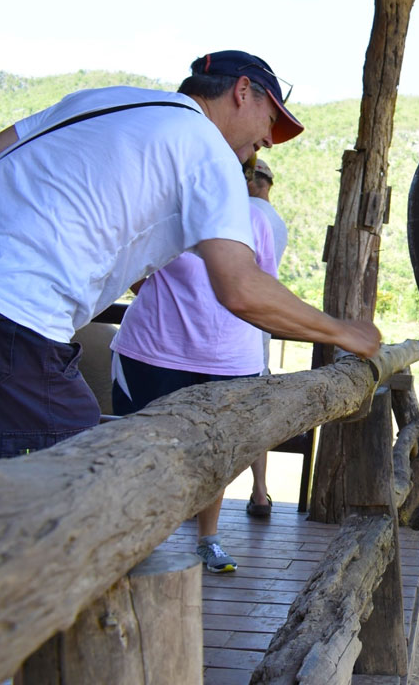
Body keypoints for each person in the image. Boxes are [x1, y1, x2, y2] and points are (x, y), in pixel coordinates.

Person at [0, 50, 381, 460]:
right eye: (270, 120)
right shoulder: (208, 150)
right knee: (77, 479)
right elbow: (241, 289)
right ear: (243, 91)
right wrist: (343, 332)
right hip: (12, 314)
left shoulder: (102, 99)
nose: (267, 139)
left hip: (3, 308)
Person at [110, 152, 279, 572]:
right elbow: (132, 266)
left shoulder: (255, 222)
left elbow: (264, 285)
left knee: (217, 453)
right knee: (140, 450)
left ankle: (209, 540)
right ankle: (135, 540)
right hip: (153, 352)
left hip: (229, 359)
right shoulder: (170, 215)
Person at [245, 157, 287, 518]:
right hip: (256, 335)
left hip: (231, 331)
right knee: (256, 414)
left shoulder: (245, 214)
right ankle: (260, 492)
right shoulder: (278, 223)